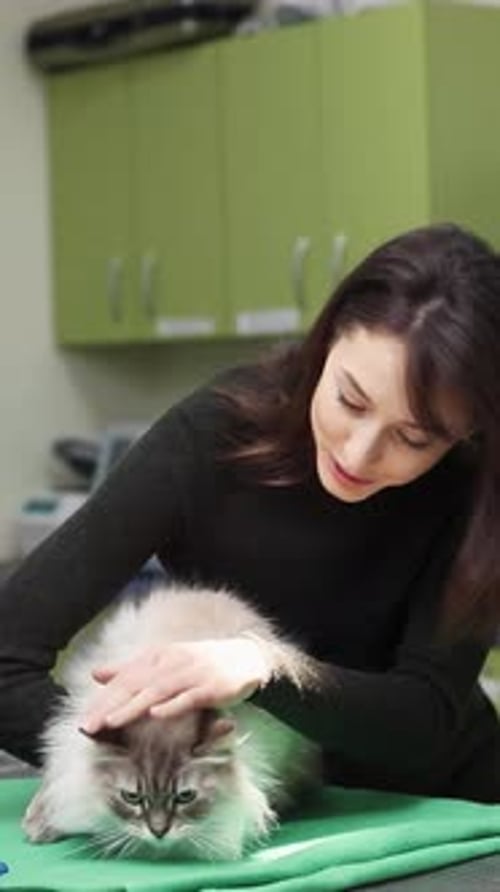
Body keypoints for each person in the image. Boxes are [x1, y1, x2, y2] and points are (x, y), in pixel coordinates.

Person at [1, 222, 500, 802]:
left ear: (465, 434)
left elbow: (425, 717)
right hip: (240, 817)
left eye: (414, 439)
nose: (359, 453)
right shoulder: (211, 438)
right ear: (327, 341)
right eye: (350, 400)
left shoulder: (472, 485)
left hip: (448, 811)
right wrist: (139, 772)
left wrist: (265, 666)